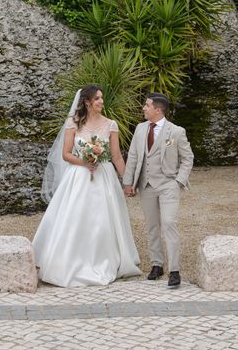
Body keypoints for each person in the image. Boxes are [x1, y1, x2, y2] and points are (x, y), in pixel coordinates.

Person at [32, 85, 142, 287]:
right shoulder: (72, 124)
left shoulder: (111, 125)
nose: (101, 101)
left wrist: (127, 182)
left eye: (102, 98)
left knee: (104, 220)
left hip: (105, 175)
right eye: (97, 98)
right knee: (76, 218)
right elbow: (66, 154)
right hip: (79, 176)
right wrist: (85, 162)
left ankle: (106, 260)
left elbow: (117, 156)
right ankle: (70, 262)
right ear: (86, 102)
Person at [123, 93, 194, 288]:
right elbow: (134, 157)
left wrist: (179, 181)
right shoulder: (140, 129)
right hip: (146, 185)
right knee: (152, 226)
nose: (144, 108)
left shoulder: (176, 132)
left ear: (158, 110)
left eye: (147, 105)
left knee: (169, 223)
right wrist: (128, 182)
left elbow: (188, 158)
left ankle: (174, 270)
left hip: (168, 184)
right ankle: (157, 264)